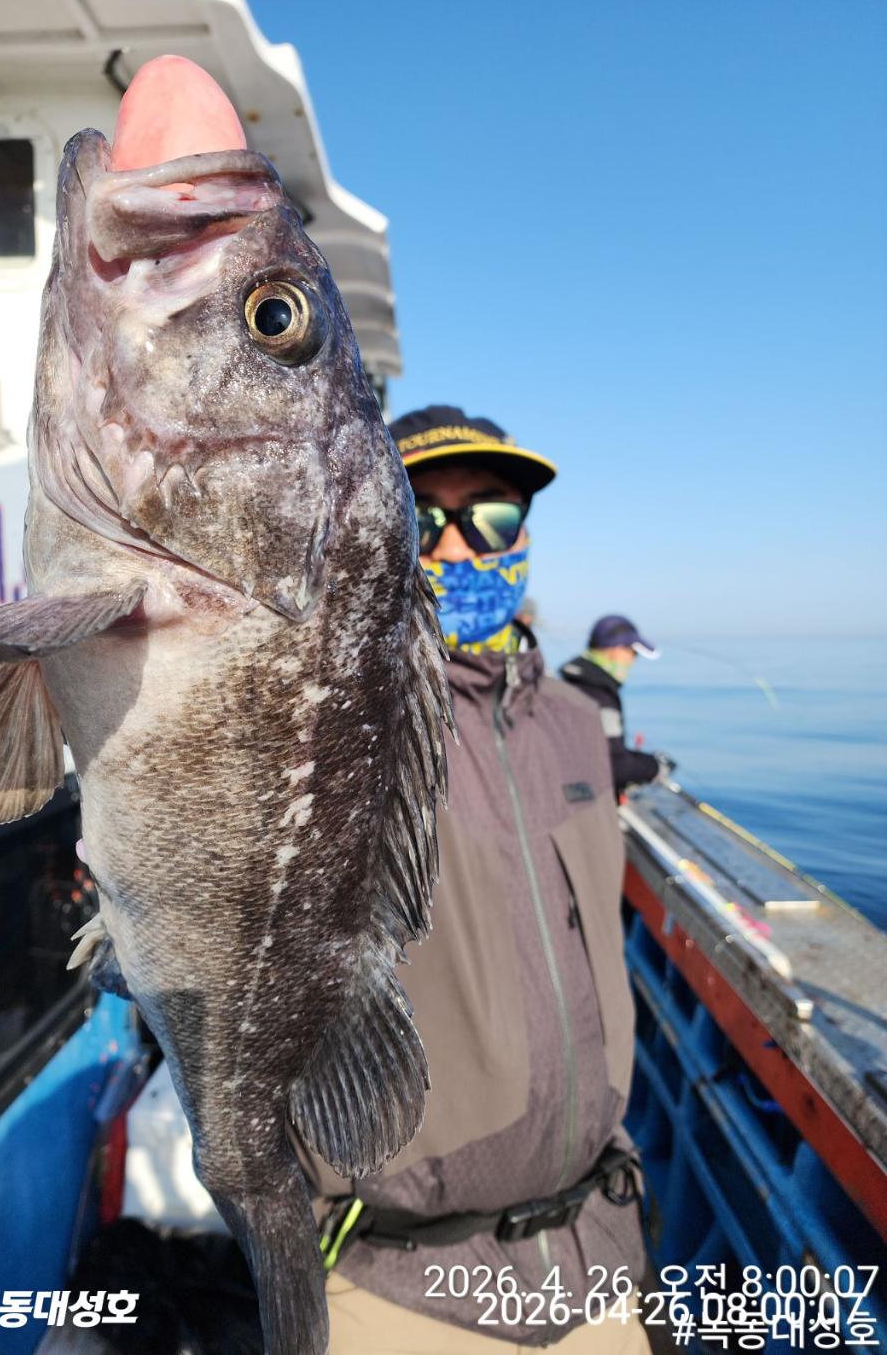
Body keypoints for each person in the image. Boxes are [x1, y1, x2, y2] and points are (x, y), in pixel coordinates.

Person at [297, 406, 649, 1354]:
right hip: (403, 1290)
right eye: (419, 519)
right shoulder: (332, 722)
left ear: (524, 535)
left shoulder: (578, 721)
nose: (456, 544)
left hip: (601, 1265)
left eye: (490, 517)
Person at [560, 617, 669, 796]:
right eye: (632, 653)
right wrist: (655, 767)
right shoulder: (599, 697)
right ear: (616, 650)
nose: (633, 661)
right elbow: (614, 766)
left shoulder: (568, 682)